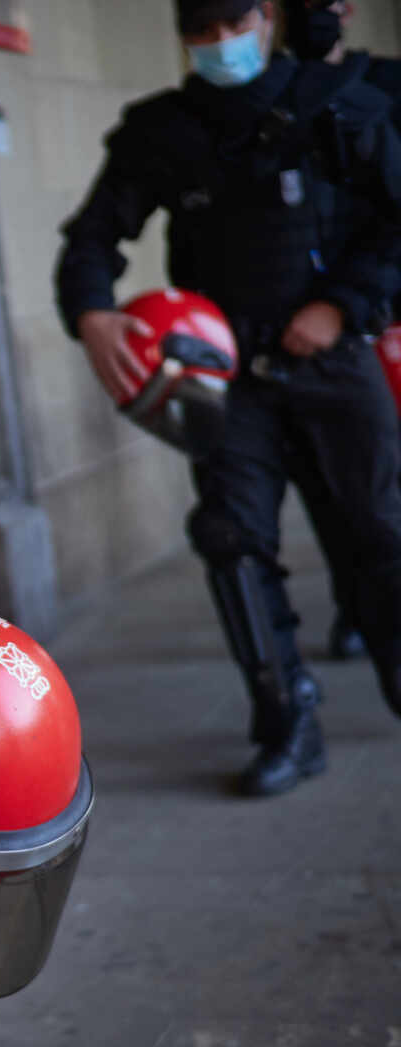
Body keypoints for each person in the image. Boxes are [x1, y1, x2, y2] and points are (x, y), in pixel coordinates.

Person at [55, 0, 401, 797]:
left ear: (266, 16)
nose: (219, 45)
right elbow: (93, 237)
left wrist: (342, 306)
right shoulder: (165, 129)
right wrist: (93, 311)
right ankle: (287, 722)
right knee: (231, 539)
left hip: (334, 364)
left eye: (231, 24)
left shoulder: (341, 104)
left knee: (377, 531)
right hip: (222, 377)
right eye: (199, 32)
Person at [284, 0, 401, 660]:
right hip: (317, 330)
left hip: (386, 307)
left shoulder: (388, 87)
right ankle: (358, 606)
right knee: (342, 487)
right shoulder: (273, 96)